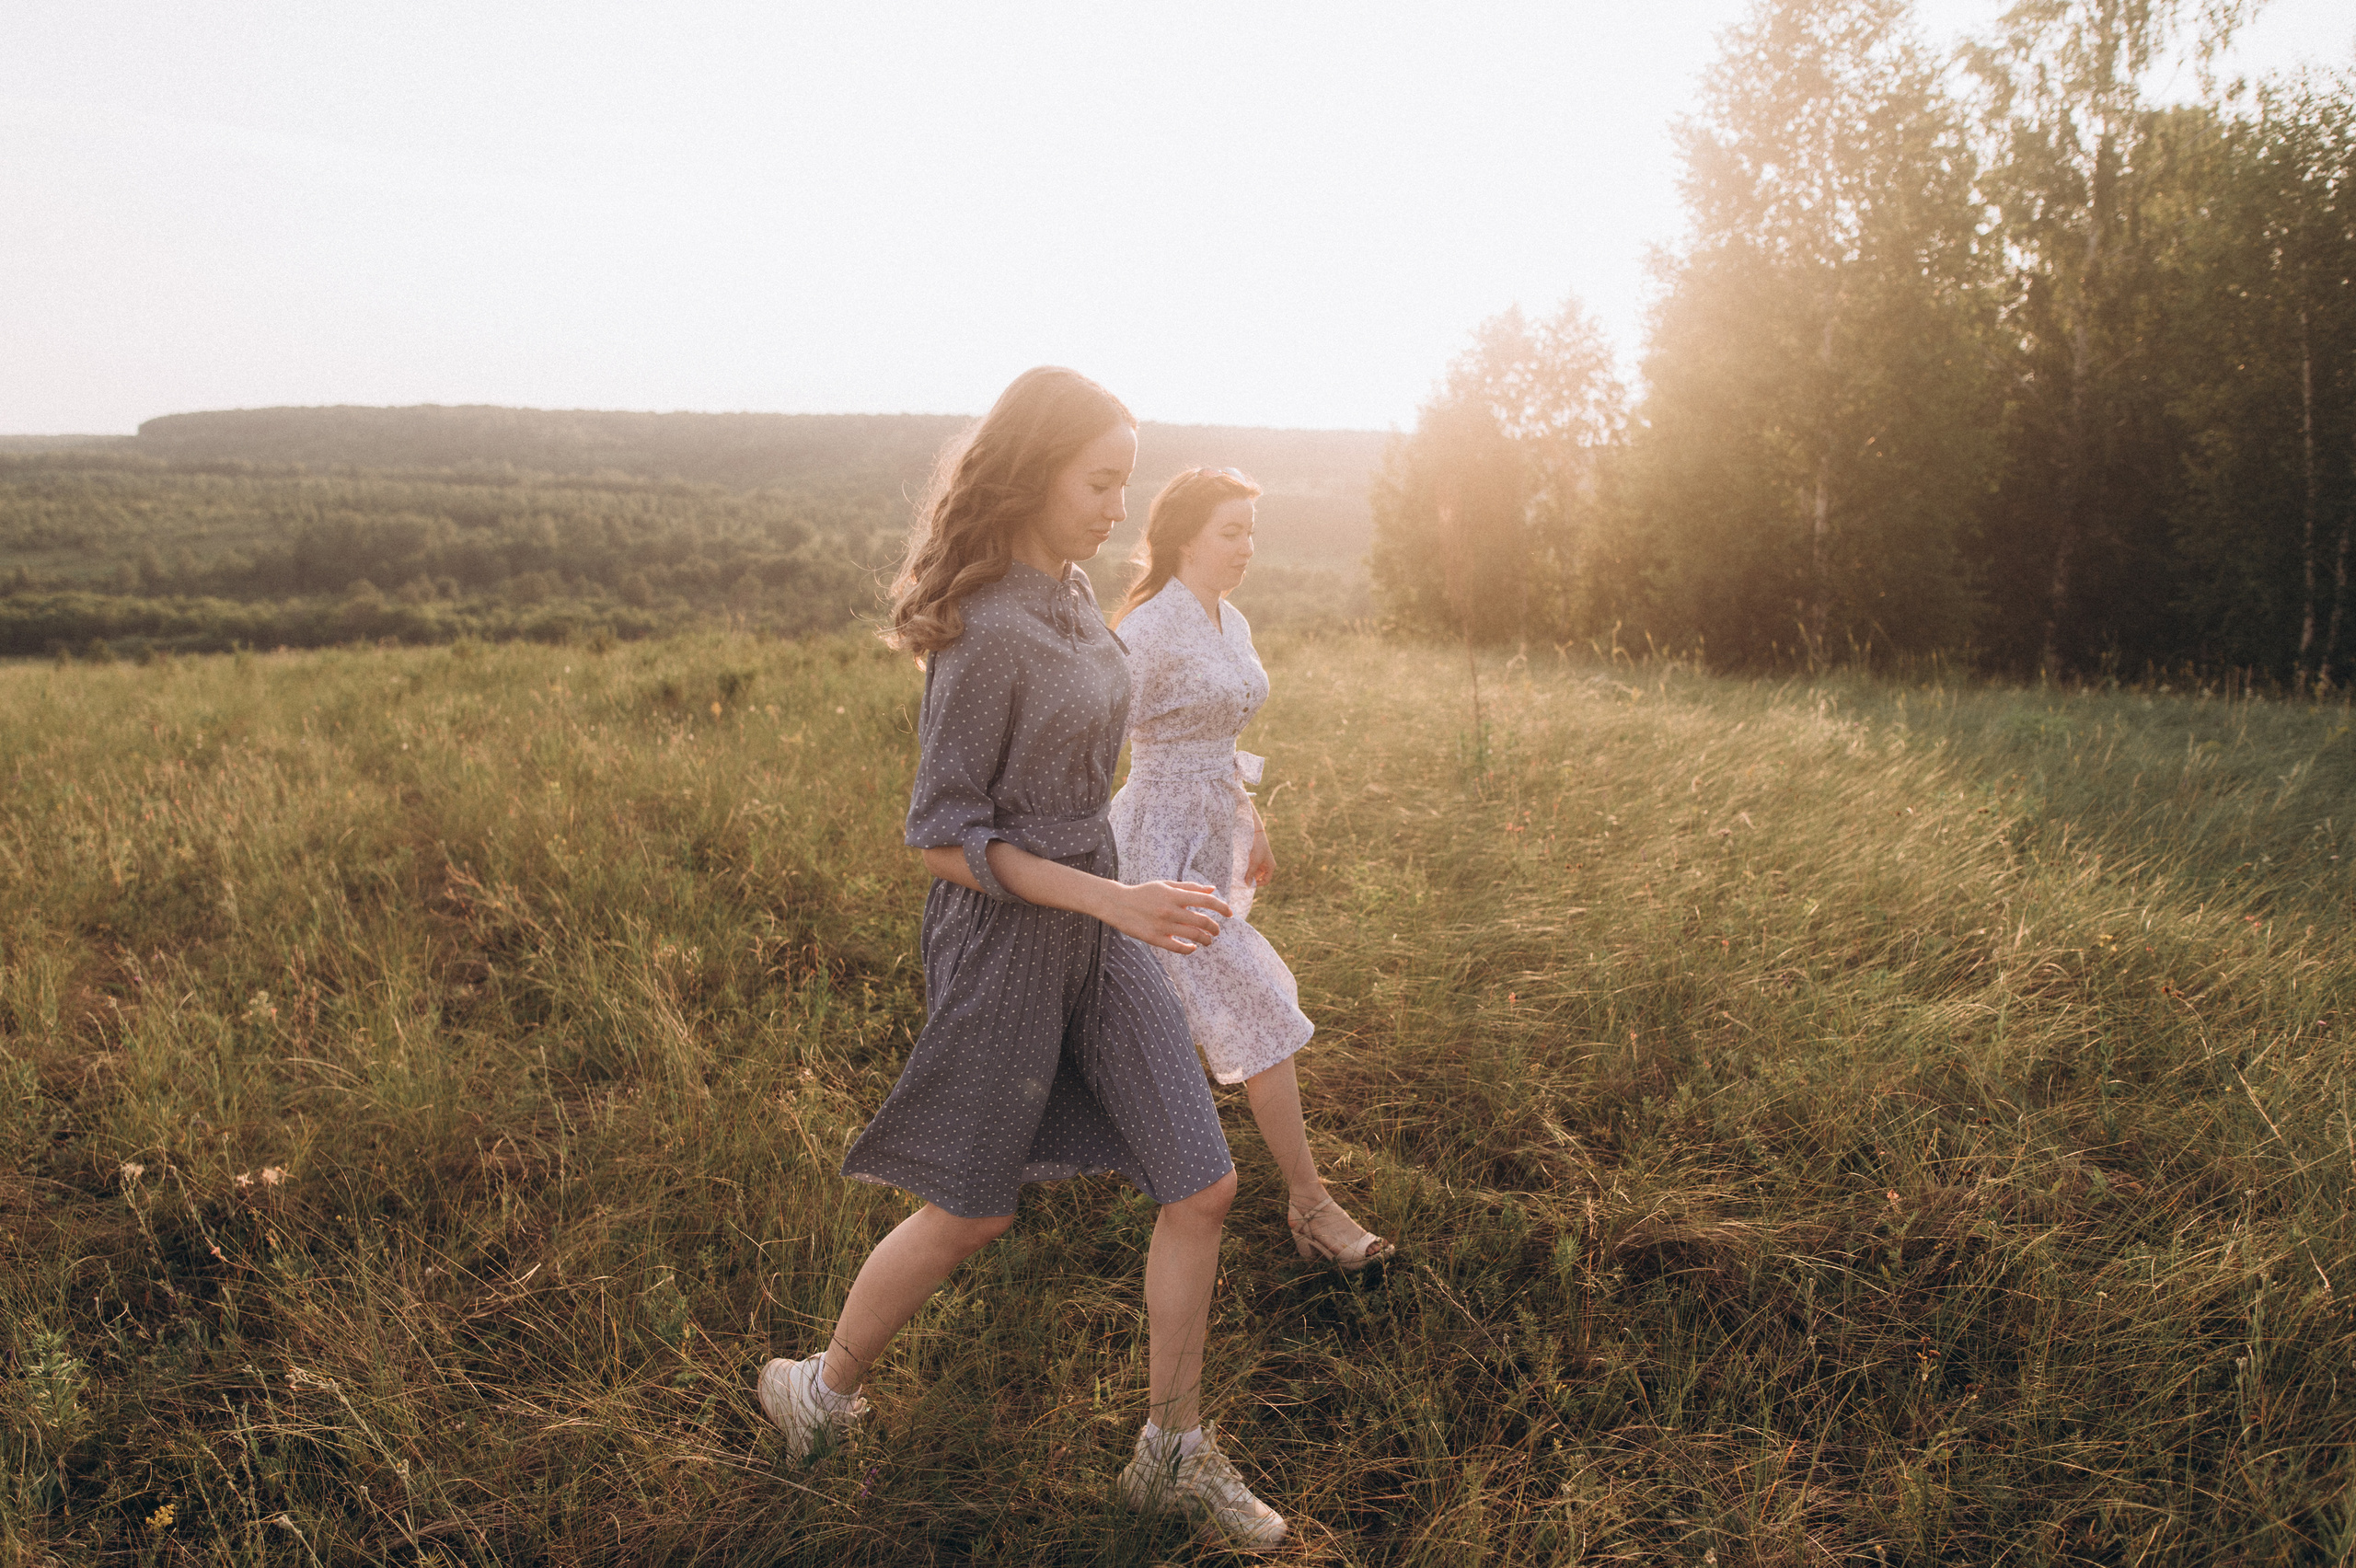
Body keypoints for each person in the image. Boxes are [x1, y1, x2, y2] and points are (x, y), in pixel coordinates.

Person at [755, 369, 1286, 1550]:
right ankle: (819, 1391)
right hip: (1006, 946)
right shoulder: (985, 629)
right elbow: (941, 838)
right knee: (969, 1211)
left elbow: (1104, 760)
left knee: (1201, 1184)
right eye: (1098, 480)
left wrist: (1157, 874)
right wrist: (1115, 898)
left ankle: (1171, 1454)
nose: (1115, 505)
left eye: (1125, 482)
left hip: (1101, 926)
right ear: (1035, 470)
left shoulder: (1074, 588)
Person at [1107, 467, 1396, 1271]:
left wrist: (1250, 816)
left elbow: (1224, 730)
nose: (1247, 549)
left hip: (1211, 830)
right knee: (1250, 1001)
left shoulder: (1228, 620)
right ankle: (1312, 1207)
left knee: (1156, 1011)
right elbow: (1094, 744)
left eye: (1251, 533)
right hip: (1154, 845)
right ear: (1184, 537)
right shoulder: (1146, 632)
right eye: (1231, 532)